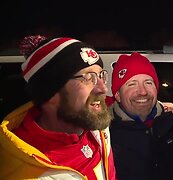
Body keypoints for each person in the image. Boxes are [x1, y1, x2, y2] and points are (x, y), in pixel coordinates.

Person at [0, 35, 116, 179]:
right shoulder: (24, 170)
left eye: (101, 76)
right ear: (51, 92)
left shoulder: (96, 127)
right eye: (87, 78)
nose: (103, 88)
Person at [109, 52, 173, 180]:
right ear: (118, 95)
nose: (142, 91)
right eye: (132, 84)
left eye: (148, 82)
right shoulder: (103, 134)